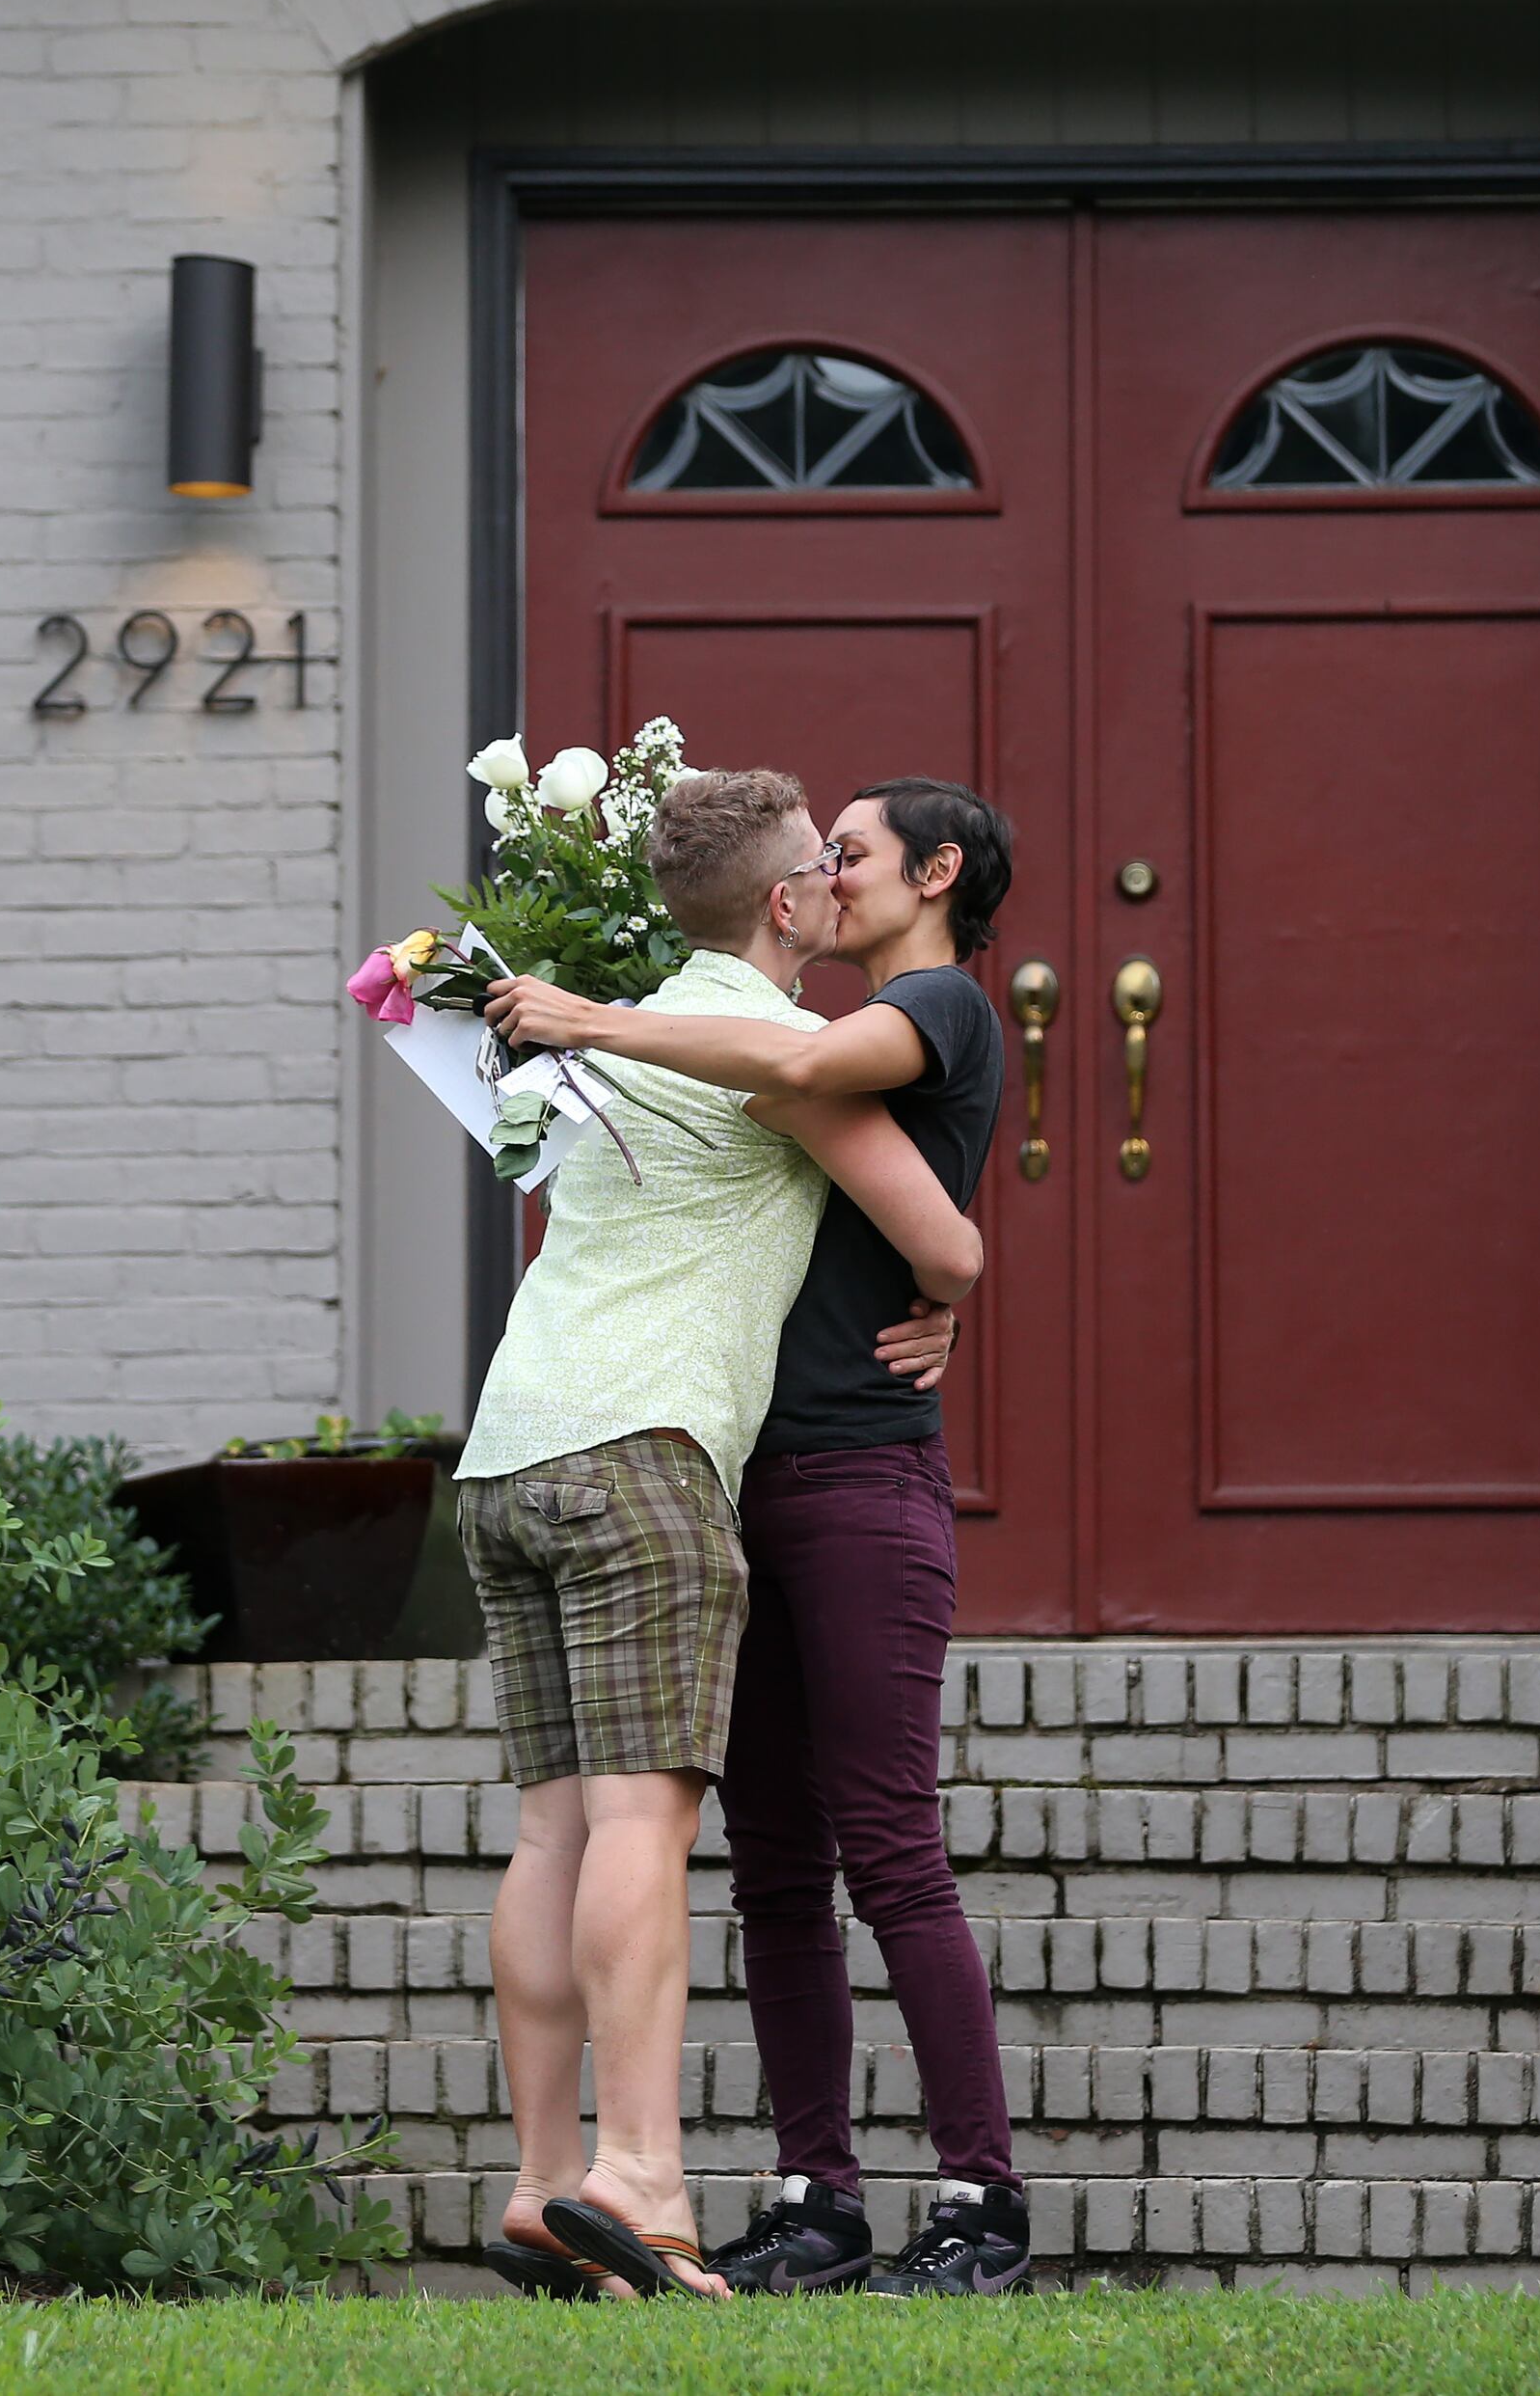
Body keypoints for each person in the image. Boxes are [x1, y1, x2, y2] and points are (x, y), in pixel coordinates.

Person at [480, 776, 1031, 2297]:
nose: (830, 873)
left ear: (936, 872)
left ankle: (980, 2198)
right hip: (723, 1482)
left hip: (859, 1483)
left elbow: (850, 1120)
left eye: (852, 851)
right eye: (816, 854)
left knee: (891, 1854)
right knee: (774, 1872)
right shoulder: (760, 1044)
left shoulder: (935, 1011)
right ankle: (815, 2195)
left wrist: (592, 1023)